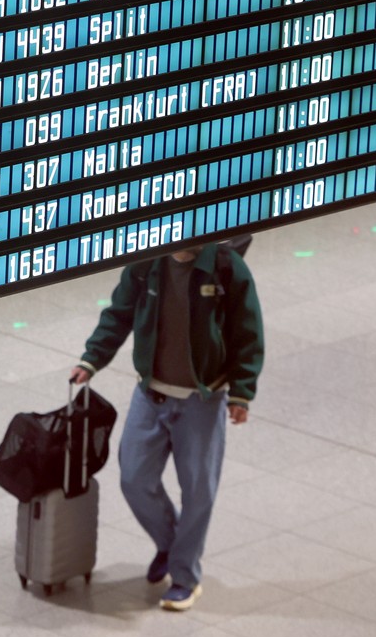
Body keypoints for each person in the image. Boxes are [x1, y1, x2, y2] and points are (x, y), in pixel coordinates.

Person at [70, 243, 263, 611]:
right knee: (134, 478)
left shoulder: (226, 268)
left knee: (198, 490)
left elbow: (247, 330)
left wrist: (242, 392)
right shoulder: (146, 263)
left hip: (202, 401)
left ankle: (185, 576)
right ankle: (171, 544)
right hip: (151, 394)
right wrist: (93, 358)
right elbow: (119, 313)